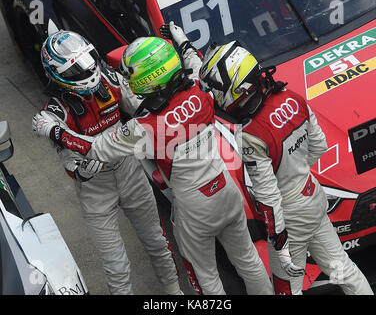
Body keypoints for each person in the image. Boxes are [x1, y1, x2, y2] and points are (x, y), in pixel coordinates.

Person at [33, 23, 273, 295]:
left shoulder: (143, 126)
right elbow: (195, 65)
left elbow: (96, 149)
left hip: (190, 208)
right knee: (249, 261)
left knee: (206, 278)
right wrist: (183, 44)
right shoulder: (198, 90)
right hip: (225, 190)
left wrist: (55, 131)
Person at [199, 41, 374, 295]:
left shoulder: (250, 134)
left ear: (235, 87)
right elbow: (320, 145)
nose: (213, 96)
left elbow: (268, 197)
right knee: (344, 270)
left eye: (214, 89)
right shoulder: (293, 97)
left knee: (286, 291)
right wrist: (297, 172)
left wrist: (279, 241)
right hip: (312, 195)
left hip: (289, 218)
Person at [33, 30, 183, 295]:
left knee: (158, 242)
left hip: (131, 172)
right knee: (116, 264)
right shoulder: (54, 112)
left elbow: (144, 109)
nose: (85, 74)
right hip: (96, 192)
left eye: (87, 65)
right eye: (75, 71)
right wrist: (80, 170)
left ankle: (174, 293)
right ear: (57, 74)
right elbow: (69, 161)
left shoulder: (111, 80)